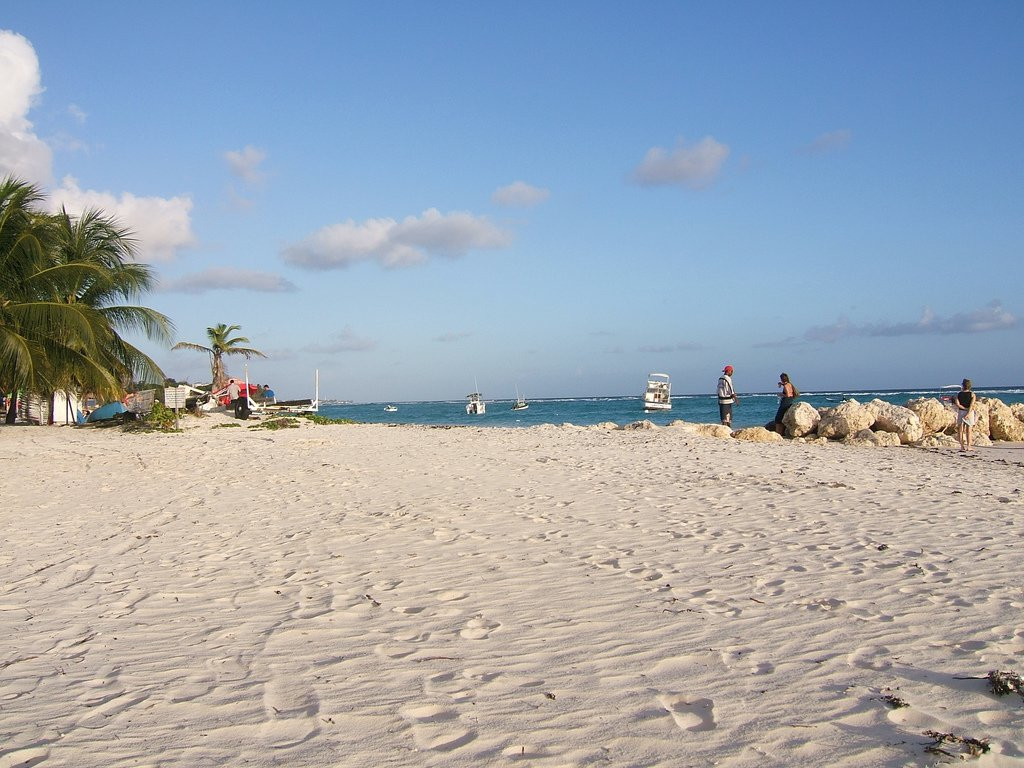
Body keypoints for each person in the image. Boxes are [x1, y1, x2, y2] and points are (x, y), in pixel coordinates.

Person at [954, 378, 977, 452]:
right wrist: (968, 412)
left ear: (963, 385)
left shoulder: (959, 394)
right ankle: (969, 446)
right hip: (969, 413)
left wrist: (963, 409)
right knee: (969, 430)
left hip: (961, 412)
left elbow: (958, 404)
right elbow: (971, 405)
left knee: (960, 430)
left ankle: (961, 446)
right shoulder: (972, 394)